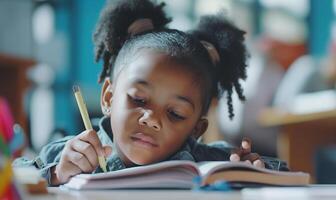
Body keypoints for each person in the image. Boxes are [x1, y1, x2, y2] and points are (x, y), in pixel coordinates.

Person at [14, 0, 288, 186]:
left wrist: (254, 173)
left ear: (197, 128)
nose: (152, 119)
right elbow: (14, 178)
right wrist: (57, 173)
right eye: (139, 99)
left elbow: (288, 176)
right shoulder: (72, 152)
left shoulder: (211, 162)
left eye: (176, 114)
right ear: (109, 97)